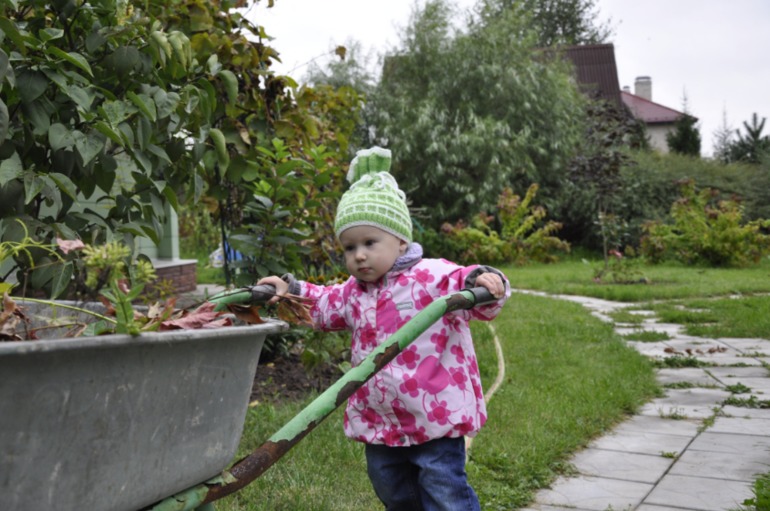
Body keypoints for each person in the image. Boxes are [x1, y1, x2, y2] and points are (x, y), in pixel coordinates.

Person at [258, 146, 510, 511]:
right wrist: (291, 291)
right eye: (349, 247)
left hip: (434, 417)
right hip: (380, 419)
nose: (358, 255)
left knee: (444, 492)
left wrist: (484, 280)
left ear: (401, 240)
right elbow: (324, 305)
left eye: (369, 243)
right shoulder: (353, 293)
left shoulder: (431, 276)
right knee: (391, 489)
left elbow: (468, 283)